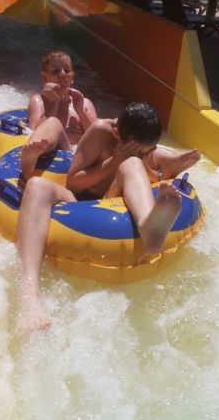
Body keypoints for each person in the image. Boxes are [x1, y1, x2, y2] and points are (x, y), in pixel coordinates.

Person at [16, 102, 200, 332]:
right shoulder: (101, 132)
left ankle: (150, 228)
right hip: (82, 203)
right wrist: (113, 162)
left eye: (149, 151)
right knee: (36, 185)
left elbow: (148, 168)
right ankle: (29, 295)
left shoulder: (140, 149)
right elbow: (73, 182)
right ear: (116, 134)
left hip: (116, 200)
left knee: (132, 164)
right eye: (141, 151)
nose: (145, 155)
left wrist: (150, 165)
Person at [20, 50, 97, 182]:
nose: (62, 74)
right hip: (51, 151)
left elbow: (96, 137)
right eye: (56, 71)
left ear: (72, 76)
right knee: (53, 122)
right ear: (44, 78)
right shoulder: (39, 101)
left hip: (78, 153)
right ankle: (29, 161)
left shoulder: (84, 103)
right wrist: (54, 103)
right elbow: (33, 132)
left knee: (102, 125)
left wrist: (80, 110)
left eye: (67, 70)